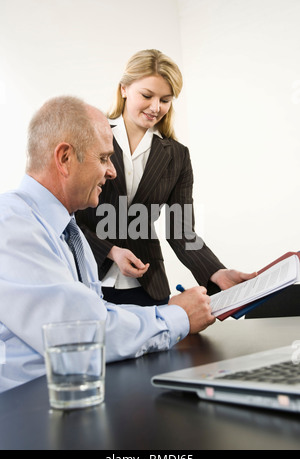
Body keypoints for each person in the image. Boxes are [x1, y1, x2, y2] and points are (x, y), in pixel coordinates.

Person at [0, 95, 215, 393]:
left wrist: (174, 305)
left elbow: (95, 313)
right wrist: (177, 317)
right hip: (25, 407)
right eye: (103, 158)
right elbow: (82, 333)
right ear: (64, 158)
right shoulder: (10, 223)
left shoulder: (69, 231)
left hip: (67, 394)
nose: (112, 171)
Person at [76, 49, 256, 306]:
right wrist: (110, 252)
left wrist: (215, 271)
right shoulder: (88, 137)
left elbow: (180, 229)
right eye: (147, 95)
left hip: (148, 288)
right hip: (88, 281)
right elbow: (66, 218)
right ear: (124, 89)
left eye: (165, 100)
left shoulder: (177, 156)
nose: (155, 107)